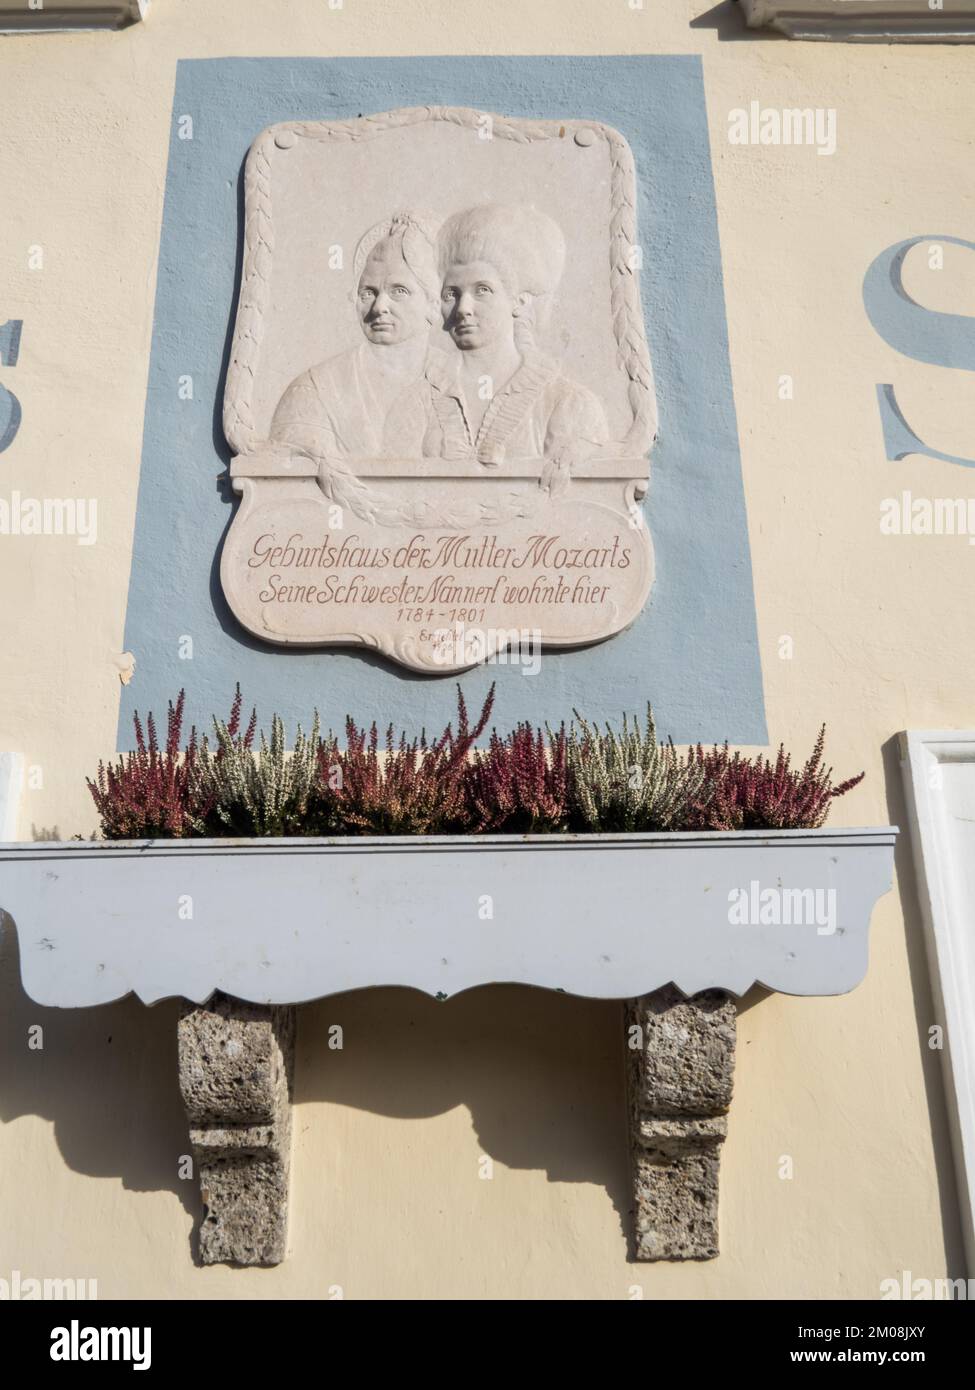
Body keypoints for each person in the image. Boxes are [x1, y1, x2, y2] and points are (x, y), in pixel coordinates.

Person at [387, 203, 609, 469]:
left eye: (482, 290)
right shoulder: (415, 402)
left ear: (517, 301)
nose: (463, 309)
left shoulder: (568, 405)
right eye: (451, 295)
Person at [269, 212, 444, 460]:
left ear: (434, 304)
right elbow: (285, 480)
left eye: (399, 291)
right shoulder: (314, 391)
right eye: (368, 293)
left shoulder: (459, 384)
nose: (379, 306)